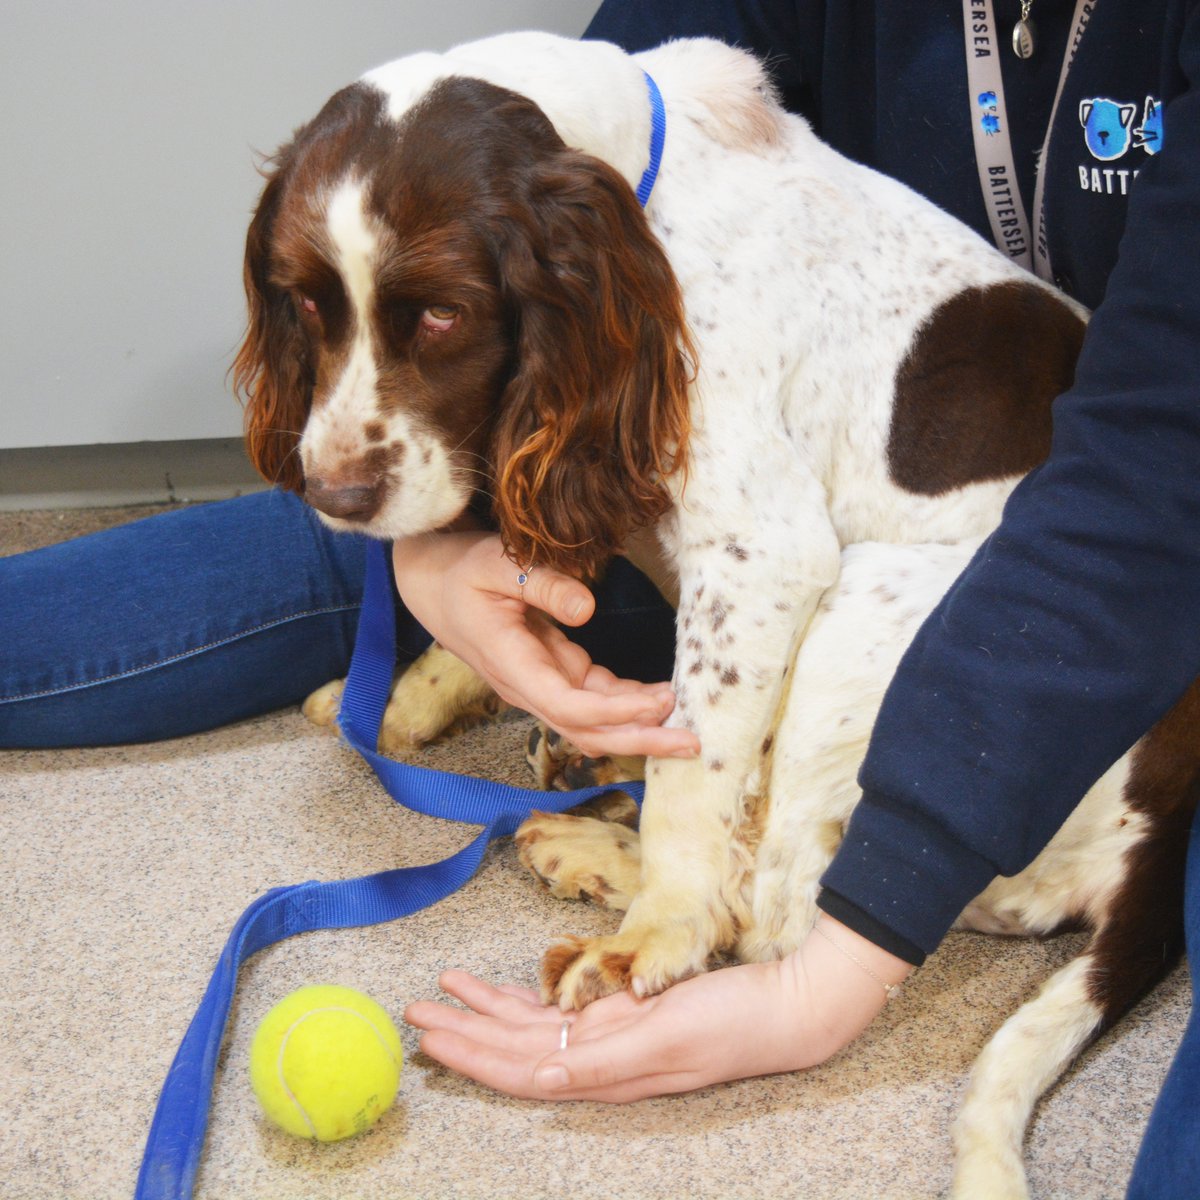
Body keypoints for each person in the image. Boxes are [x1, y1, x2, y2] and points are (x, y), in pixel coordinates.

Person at [2, 3, 1196, 1194]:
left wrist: (767, 945)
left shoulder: (681, 254)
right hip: (749, 523)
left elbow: (771, 552)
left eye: (435, 313)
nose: (336, 441)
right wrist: (442, 550)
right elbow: (533, 134)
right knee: (330, 535)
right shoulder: (612, 127)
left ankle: (744, 882)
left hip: (1080, 629)